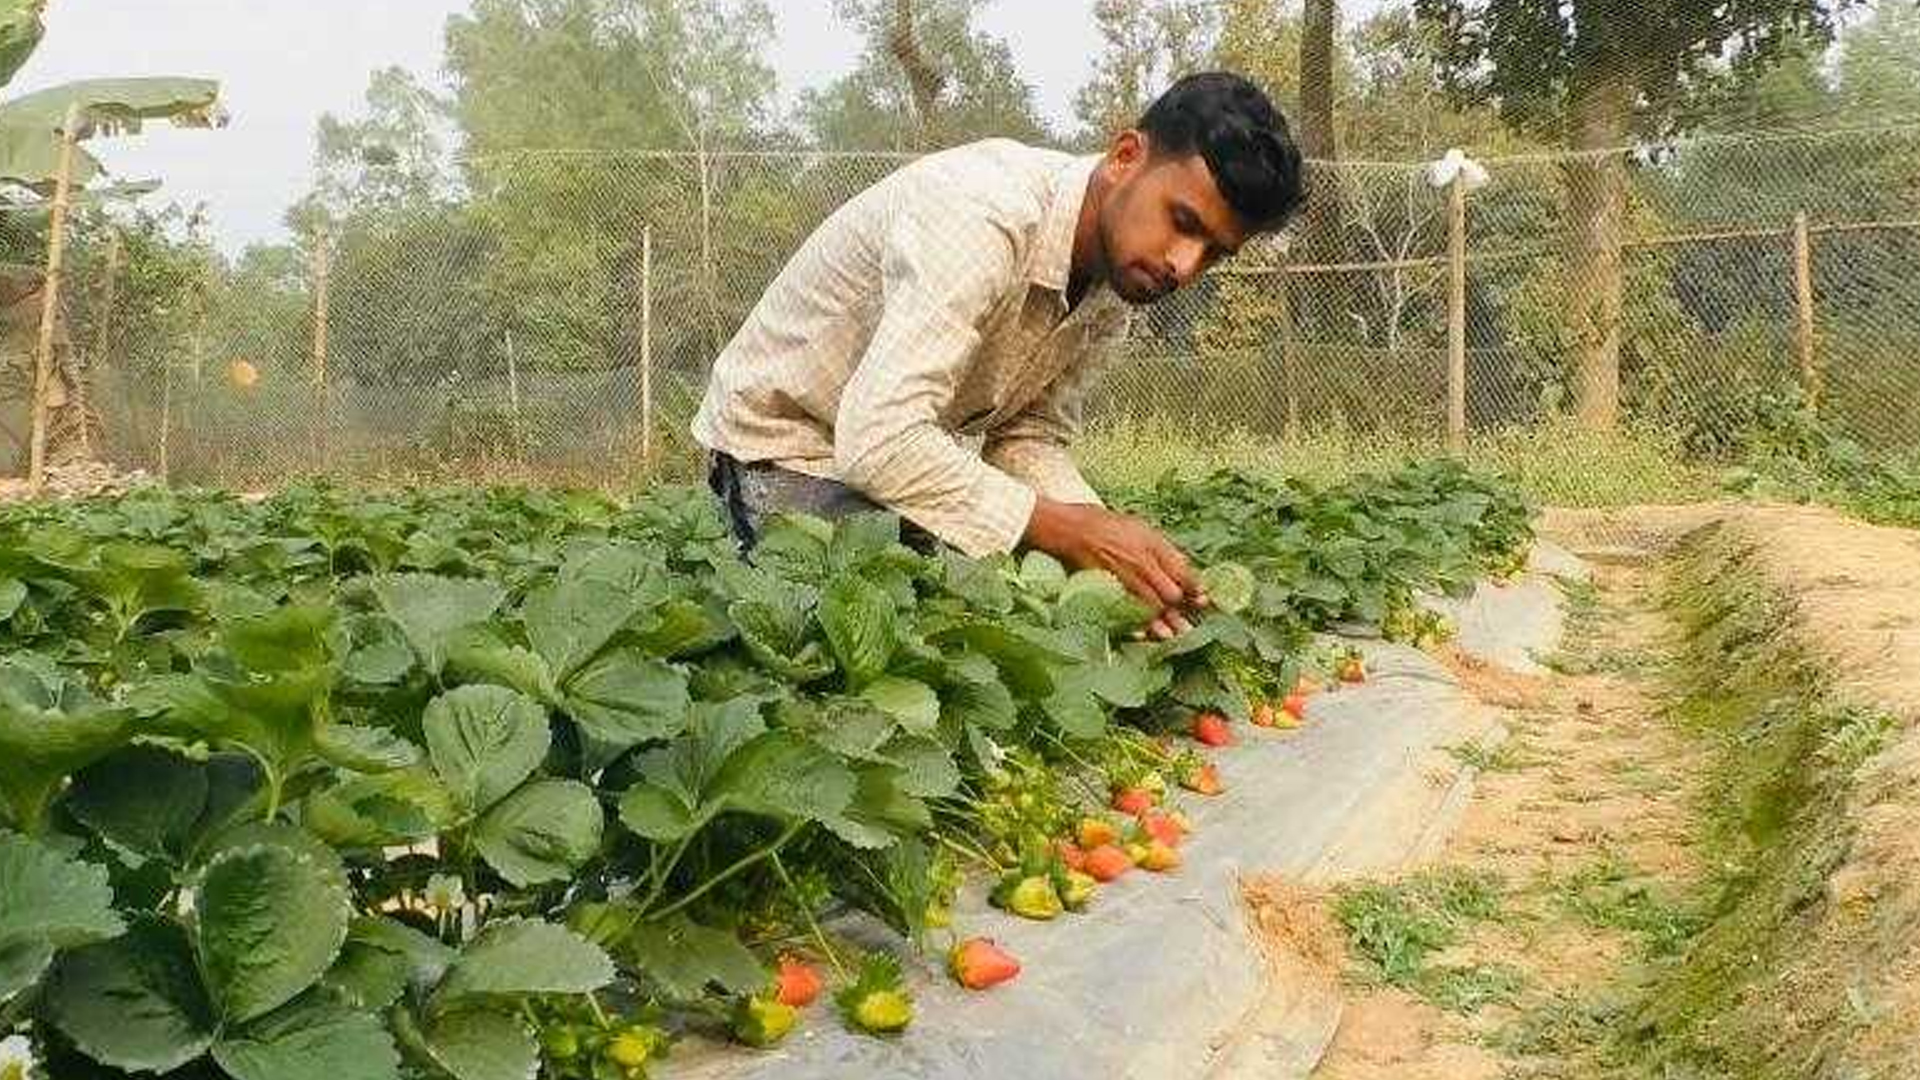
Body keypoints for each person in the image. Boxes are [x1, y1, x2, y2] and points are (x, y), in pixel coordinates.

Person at [694, 71, 1305, 639]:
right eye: (1183, 221)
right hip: (786, 450)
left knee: (1030, 606)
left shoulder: (1119, 282)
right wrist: (1069, 531)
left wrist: (1112, 557)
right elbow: (878, 440)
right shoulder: (982, 216)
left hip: (876, 460)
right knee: (932, 628)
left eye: (1214, 252)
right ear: (1125, 157)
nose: (1183, 264)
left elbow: (1027, 434)